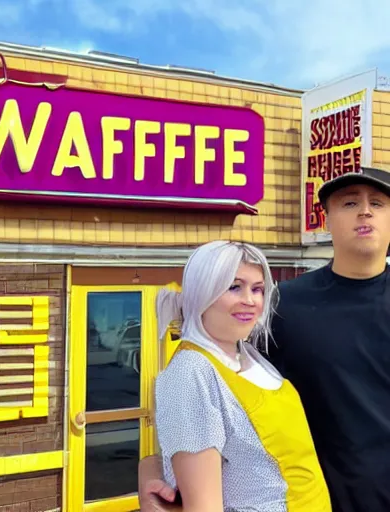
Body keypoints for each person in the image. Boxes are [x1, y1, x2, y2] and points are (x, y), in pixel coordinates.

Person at [138, 166, 390, 512]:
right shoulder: (284, 306)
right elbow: (209, 406)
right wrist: (153, 468)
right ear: (326, 220)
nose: (364, 211)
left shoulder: (256, 330)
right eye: (348, 203)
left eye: (377, 203)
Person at [151, 240, 331, 511]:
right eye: (234, 287)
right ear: (203, 291)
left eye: (257, 289)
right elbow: (203, 506)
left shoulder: (248, 354)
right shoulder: (191, 373)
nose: (250, 300)